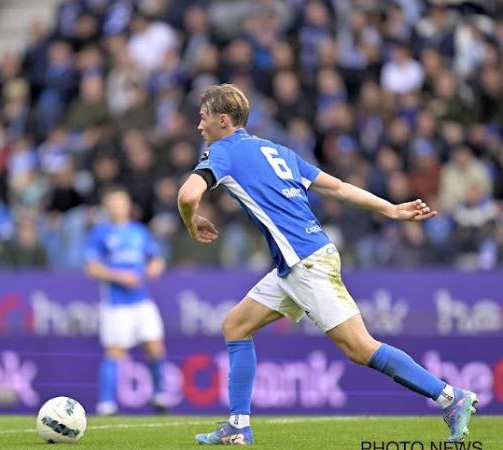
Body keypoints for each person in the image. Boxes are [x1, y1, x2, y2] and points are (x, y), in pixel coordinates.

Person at [177, 84, 477, 445]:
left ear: (222, 120)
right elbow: (337, 188)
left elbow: (187, 194)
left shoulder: (221, 152)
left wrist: (191, 222)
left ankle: (450, 397)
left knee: (360, 348)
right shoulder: (277, 150)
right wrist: (390, 208)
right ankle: (238, 426)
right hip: (298, 261)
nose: (199, 126)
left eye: (203, 117)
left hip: (306, 263)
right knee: (236, 325)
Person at [84, 185, 167, 416]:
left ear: (127, 206)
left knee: (156, 347)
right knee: (115, 352)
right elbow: (92, 268)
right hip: (116, 304)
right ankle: (106, 404)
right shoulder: (100, 233)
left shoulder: (139, 232)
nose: (116, 207)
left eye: (120, 202)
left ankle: (160, 396)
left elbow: (156, 259)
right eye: (112, 203)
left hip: (142, 301)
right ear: (106, 207)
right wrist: (120, 277)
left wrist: (154, 268)